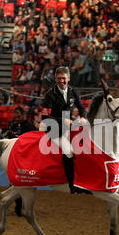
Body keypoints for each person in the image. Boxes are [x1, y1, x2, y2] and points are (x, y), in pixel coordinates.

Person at [41, 66, 88, 194]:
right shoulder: (50, 95)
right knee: (69, 152)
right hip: (54, 128)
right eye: (58, 78)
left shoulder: (73, 91)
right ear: (55, 79)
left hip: (69, 123)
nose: (61, 81)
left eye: (63, 78)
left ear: (68, 78)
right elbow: (45, 117)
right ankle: (73, 186)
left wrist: (83, 117)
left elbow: (82, 107)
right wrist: (63, 120)